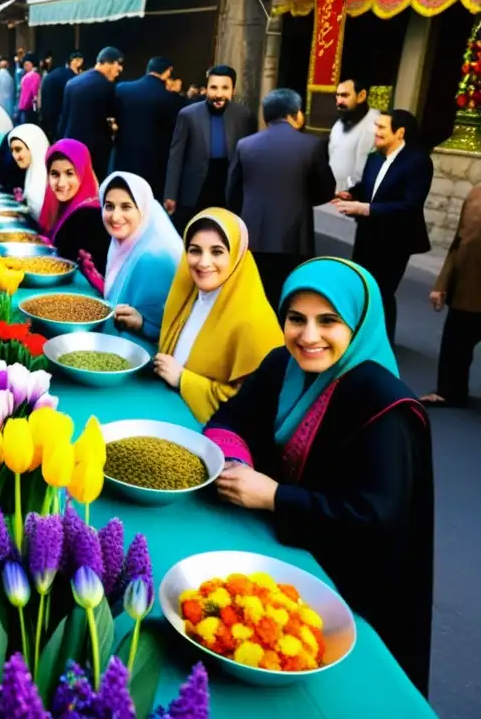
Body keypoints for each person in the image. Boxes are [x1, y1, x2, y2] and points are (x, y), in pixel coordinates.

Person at [205, 257, 433, 696]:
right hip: (273, 556)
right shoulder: (282, 364)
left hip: (347, 596)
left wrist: (275, 497)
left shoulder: (386, 407)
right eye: (296, 319)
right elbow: (230, 418)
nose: (308, 336)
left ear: (359, 324)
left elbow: (374, 519)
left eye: (328, 320)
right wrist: (235, 462)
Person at [154, 208, 283, 423]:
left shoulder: (253, 322)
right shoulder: (190, 293)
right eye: (195, 251)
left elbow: (251, 406)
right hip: (168, 408)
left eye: (216, 252)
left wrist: (184, 380)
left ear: (236, 255)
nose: (203, 262)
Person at [227, 88, 335, 309]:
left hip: (254, 235)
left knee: (256, 295)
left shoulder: (245, 145)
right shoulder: (312, 145)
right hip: (295, 235)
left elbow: (232, 193)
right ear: (295, 114)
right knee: (289, 295)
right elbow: (326, 189)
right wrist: (301, 200)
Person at [335, 110, 432, 342]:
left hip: (396, 239)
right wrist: (350, 195)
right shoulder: (375, 156)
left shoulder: (418, 162)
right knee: (360, 286)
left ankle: (382, 344)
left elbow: (410, 205)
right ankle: (358, 337)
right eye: (375, 126)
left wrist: (365, 209)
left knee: (382, 292)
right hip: (368, 234)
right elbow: (370, 188)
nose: (375, 132)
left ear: (400, 133)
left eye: (381, 128)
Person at [79, 172, 182, 343]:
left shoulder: (154, 256)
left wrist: (144, 324)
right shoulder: (127, 242)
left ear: (143, 209)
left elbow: (168, 328)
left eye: (126, 207)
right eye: (109, 206)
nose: (115, 216)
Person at [165, 64, 256, 232]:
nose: (219, 94)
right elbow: (176, 156)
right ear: (206, 88)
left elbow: (249, 159)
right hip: (195, 188)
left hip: (228, 186)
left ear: (233, 90)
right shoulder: (188, 114)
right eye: (213, 87)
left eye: (225, 88)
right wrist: (170, 193)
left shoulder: (244, 115)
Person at [422, 186, 481, 408]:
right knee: (455, 346)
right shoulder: (476, 193)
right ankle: (450, 392)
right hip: (468, 288)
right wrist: (442, 283)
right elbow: (458, 242)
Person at [112, 56, 183, 201]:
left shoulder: (122, 89)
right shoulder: (170, 99)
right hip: (154, 165)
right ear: (168, 72)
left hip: (124, 158)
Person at [38, 140, 108, 270]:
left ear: (82, 172)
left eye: (69, 173)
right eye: (55, 174)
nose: (61, 183)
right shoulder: (63, 207)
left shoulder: (90, 217)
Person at [59, 47, 123, 181]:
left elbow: (64, 117)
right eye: (118, 65)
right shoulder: (107, 86)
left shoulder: (72, 82)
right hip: (95, 149)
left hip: (71, 142)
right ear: (108, 63)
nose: (119, 71)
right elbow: (111, 115)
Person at [329, 76, 380, 192]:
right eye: (337, 95)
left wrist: (350, 191)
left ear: (361, 96)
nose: (339, 101)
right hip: (333, 193)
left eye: (345, 95)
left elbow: (363, 168)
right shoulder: (339, 123)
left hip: (352, 197)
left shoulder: (374, 124)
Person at [7, 123, 50, 220]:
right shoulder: (32, 172)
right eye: (12, 150)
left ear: (33, 147)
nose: (15, 156)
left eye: (18, 150)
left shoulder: (46, 178)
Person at [39, 51, 84, 141]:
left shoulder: (53, 74)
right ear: (76, 61)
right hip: (60, 125)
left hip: (46, 122)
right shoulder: (71, 79)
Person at [17, 53, 41, 125]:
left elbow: (34, 93)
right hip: (28, 106)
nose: (25, 66)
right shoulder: (33, 75)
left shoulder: (33, 76)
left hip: (28, 106)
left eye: (27, 64)